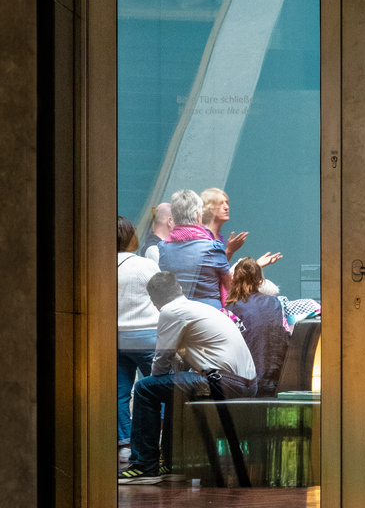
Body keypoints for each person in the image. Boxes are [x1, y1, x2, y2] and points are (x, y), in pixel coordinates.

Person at [118, 271, 257, 485]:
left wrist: (158, 376)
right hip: (242, 382)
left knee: (146, 388)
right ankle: (171, 464)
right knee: (171, 388)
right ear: (180, 289)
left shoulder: (171, 312)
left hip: (222, 381)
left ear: (153, 301)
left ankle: (144, 466)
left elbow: (161, 359)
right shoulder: (199, 307)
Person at [117, 216, 160, 458]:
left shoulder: (97, 266)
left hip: (115, 339)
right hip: (147, 337)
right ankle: (157, 442)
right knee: (158, 390)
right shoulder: (145, 265)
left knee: (120, 394)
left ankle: (124, 445)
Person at [225, 258, 289, 397]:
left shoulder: (231, 309)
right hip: (277, 378)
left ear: (234, 279)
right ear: (260, 280)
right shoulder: (275, 303)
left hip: (249, 382)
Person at [157, 189, 232, 306]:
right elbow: (229, 284)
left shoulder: (162, 248)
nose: (226, 207)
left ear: (174, 218)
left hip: (177, 312)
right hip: (210, 312)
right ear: (198, 216)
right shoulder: (212, 246)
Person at [200, 185, 283, 276]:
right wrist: (230, 250)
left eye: (227, 203)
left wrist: (257, 265)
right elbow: (209, 273)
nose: (226, 207)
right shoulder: (202, 237)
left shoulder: (219, 237)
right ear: (209, 208)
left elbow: (223, 274)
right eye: (220, 204)